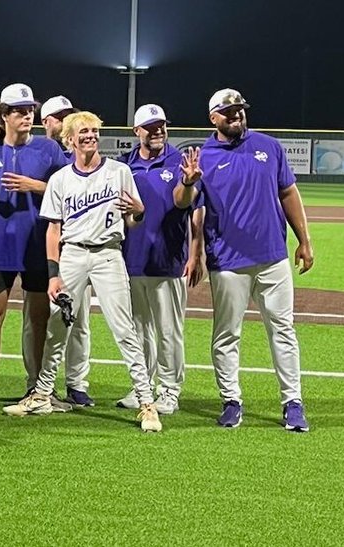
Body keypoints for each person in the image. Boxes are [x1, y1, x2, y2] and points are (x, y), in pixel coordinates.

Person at [2, 111, 161, 433]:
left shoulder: (119, 171)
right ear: (70, 140)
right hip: (72, 255)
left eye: (93, 131)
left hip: (108, 255)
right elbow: (52, 230)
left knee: (124, 330)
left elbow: (133, 220)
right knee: (57, 328)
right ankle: (43, 394)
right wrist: (53, 274)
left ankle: (146, 402)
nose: (89, 136)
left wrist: (140, 213)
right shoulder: (61, 178)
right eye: (82, 132)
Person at [196, 89, 313, 431]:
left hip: (272, 257)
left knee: (283, 330)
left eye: (240, 110)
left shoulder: (269, 146)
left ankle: (293, 402)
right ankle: (231, 400)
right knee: (226, 335)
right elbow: (194, 210)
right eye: (229, 112)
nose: (236, 116)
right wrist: (196, 253)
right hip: (228, 261)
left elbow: (288, 192)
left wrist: (304, 240)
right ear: (213, 117)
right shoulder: (203, 156)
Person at [0, 84, 69, 411]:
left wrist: (35, 186)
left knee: (39, 318)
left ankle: (37, 387)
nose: (28, 116)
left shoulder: (49, 150)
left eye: (30, 110)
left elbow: (67, 192)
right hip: (0, 244)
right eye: (19, 111)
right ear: (4, 115)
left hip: (37, 245)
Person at [113, 104, 204, 415]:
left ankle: (169, 390)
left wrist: (189, 182)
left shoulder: (179, 162)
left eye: (162, 125)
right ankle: (143, 387)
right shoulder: (124, 167)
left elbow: (183, 201)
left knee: (168, 330)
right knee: (137, 329)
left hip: (167, 259)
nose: (158, 131)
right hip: (132, 260)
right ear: (136, 131)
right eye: (150, 127)